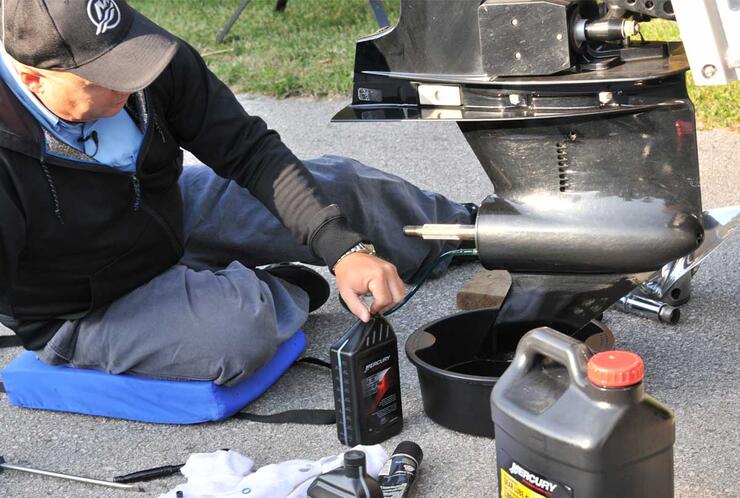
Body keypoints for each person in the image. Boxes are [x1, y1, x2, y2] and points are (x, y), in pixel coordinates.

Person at [0, 0, 472, 385]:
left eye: (127, 60)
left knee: (336, 190)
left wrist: (343, 247)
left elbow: (247, 150)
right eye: (105, 78)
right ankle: (273, 290)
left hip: (164, 214)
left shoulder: (142, 57)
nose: (131, 80)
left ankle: (473, 230)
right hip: (85, 305)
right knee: (237, 331)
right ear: (34, 78)